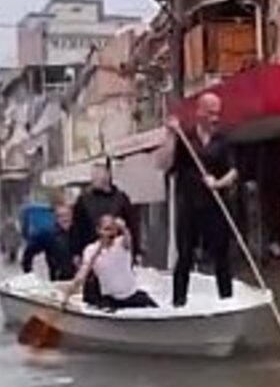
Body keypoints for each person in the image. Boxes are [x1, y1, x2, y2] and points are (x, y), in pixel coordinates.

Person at [154, 92, 239, 307]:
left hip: (215, 205)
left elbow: (233, 171)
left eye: (217, 113)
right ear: (199, 112)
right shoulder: (185, 139)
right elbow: (163, 164)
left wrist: (218, 183)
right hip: (188, 205)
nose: (215, 118)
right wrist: (170, 134)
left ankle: (226, 301)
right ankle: (178, 303)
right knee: (184, 255)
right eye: (210, 113)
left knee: (221, 256)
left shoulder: (223, 140)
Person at [63, 214, 158, 312]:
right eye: (106, 229)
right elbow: (83, 272)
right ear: (98, 230)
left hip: (131, 294)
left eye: (112, 229)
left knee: (153, 308)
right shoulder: (91, 249)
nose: (110, 233)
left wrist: (123, 228)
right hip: (110, 298)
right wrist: (69, 292)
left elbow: (128, 239)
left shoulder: (121, 243)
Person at [21, 203, 76, 281]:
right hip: (59, 280)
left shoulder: (79, 232)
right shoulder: (48, 234)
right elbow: (29, 253)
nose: (64, 218)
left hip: (81, 278)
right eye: (60, 216)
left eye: (67, 215)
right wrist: (28, 273)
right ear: (55, 218)